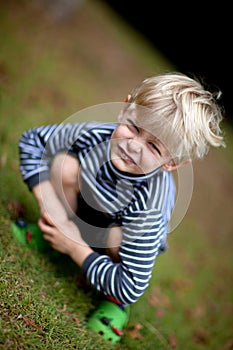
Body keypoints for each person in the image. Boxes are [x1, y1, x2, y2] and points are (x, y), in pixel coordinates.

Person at [18, 72, 225, 342]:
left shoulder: (151, 203)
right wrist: (52, 209)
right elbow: (32, 143)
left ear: (171, 163)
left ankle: (112, 303)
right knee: (63, 167)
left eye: (153, 146)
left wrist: (76, 247)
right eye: (134, 127)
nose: (133, 146)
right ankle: (51, 232)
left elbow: (130, 286)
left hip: (118, 238)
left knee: (120, 237)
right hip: (86, 208)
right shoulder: (93, 135)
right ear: (125, 108)